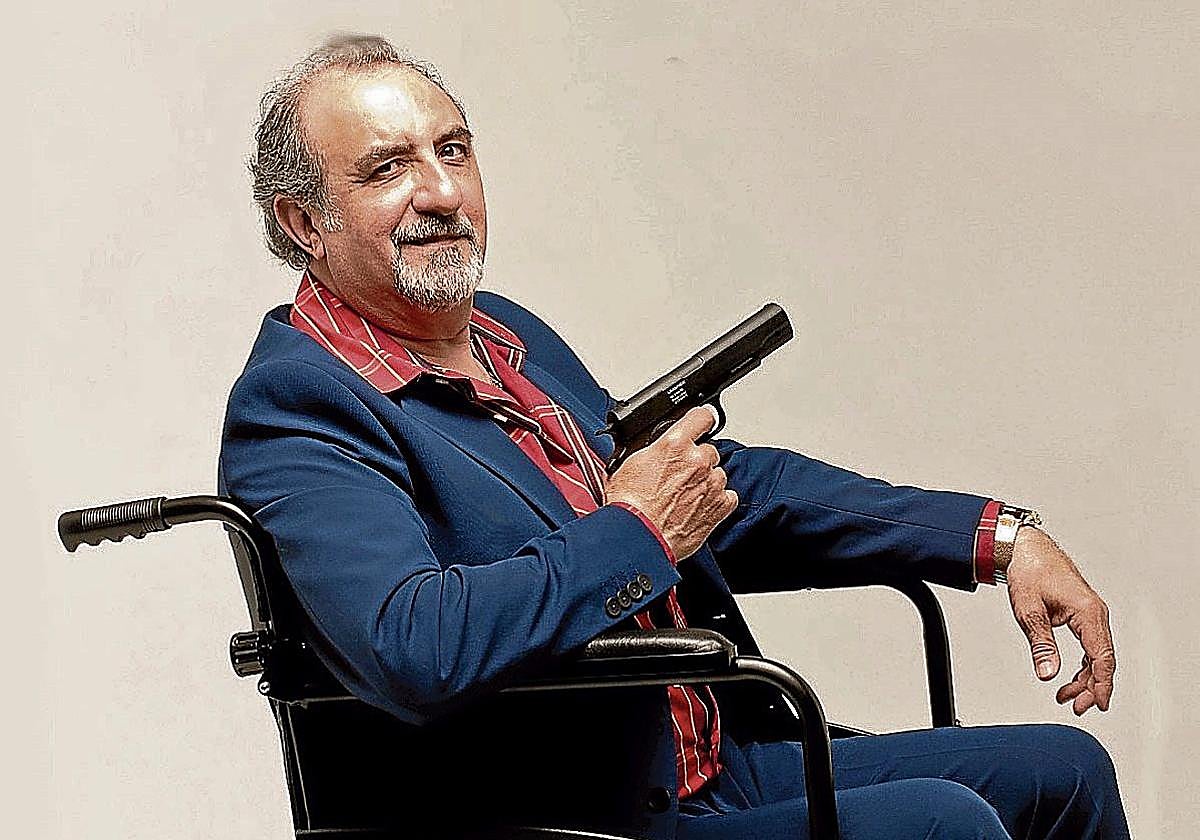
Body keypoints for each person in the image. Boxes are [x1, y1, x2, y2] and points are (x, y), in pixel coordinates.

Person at [219, 35, 1131, 839]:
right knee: (941, 826)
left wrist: (993, 537)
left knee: (1063, 772)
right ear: (304, 222)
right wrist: (636, 531)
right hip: (571, 811)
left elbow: (714, 491)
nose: (443, 191)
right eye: (387, 169)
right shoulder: (301, 404)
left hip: (709, 762)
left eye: (453, 150)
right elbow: (413, 644)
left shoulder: (505, 336)